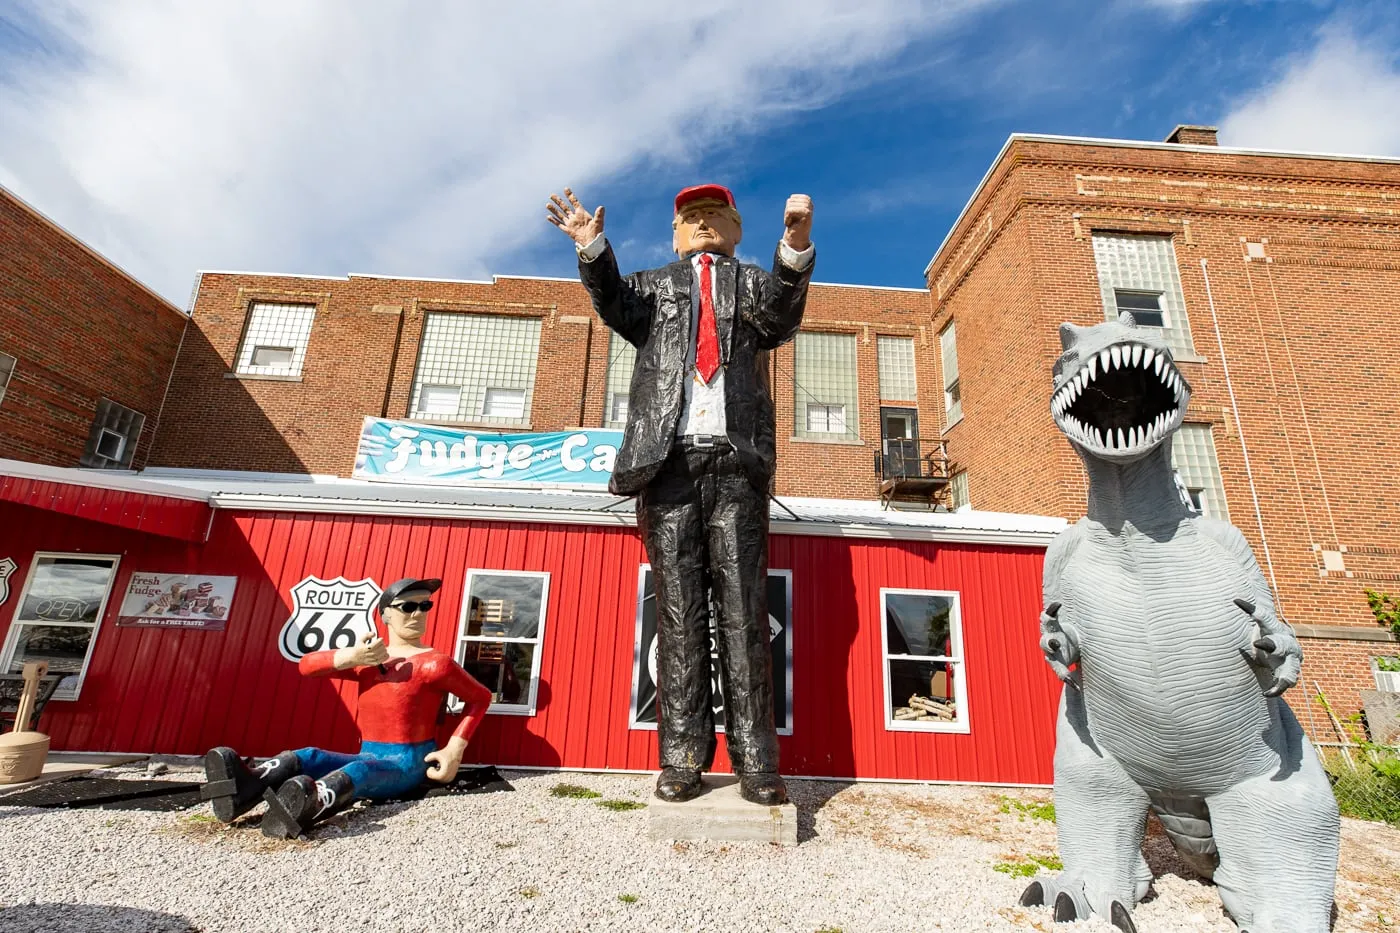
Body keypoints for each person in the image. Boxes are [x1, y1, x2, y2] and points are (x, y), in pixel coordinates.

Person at [546, 183, 813, 805]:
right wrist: (591, 246)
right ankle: (682, 759)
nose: (702, 224)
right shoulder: (653, 287)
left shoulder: (750, 287)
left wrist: (794, 248)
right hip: (668, 466)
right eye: (690, 217)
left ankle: (756, 765)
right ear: (673, 234)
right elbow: (612, 302)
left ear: (737, 229)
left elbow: (782, 315)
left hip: (736, 469)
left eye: (715, 215)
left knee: (745, 614)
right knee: (680, 613)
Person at [200, 578, 493, 838]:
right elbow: (306, 666)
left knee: (359, 771)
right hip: (371, 753)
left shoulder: (435, 663)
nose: (418, 614)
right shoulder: (367, 659)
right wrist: (351, 656)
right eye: (408, 607)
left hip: (409, 764)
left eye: (425, 606)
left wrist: (454, 750)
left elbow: (480, 697)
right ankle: (244, 789)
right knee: (308, 755)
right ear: (386, 614)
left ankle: (306, 804)